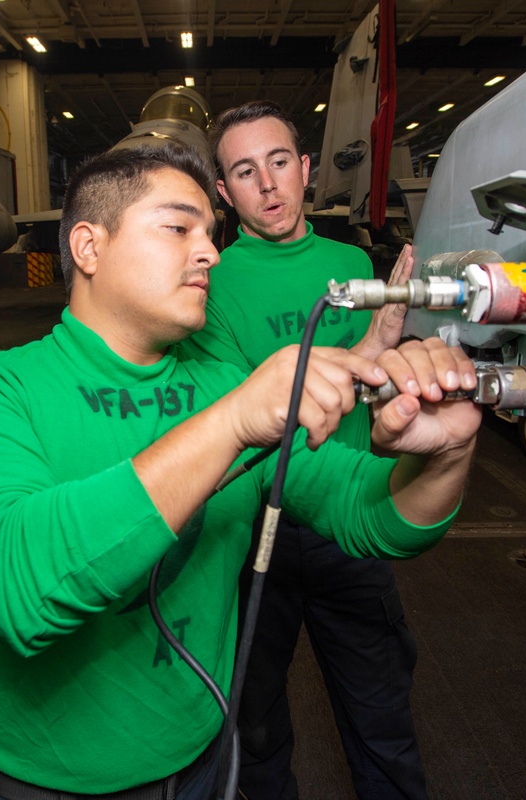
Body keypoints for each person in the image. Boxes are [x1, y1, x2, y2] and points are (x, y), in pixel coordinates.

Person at [0, 140, 481, 800]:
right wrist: (232, 420)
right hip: (41, 785)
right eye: (179, 227)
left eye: (211, 231)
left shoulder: (221, 384)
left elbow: (367, 513)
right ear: (89, 248)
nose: (209, 251)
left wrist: (445, 455)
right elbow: (19, 590)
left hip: (205, 769)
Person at [185, 100, 428, 800]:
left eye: (280, 161)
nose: (268, 184)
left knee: (382, 723)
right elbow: (244, 419)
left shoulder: (351, 263)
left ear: (307, 169)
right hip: (253, 527)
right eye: (245, 171)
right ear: (224, 194)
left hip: (350, 520)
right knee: (255, 733)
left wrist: (387, 363)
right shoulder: (214, 283)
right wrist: (367, 349)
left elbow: (367, 389)